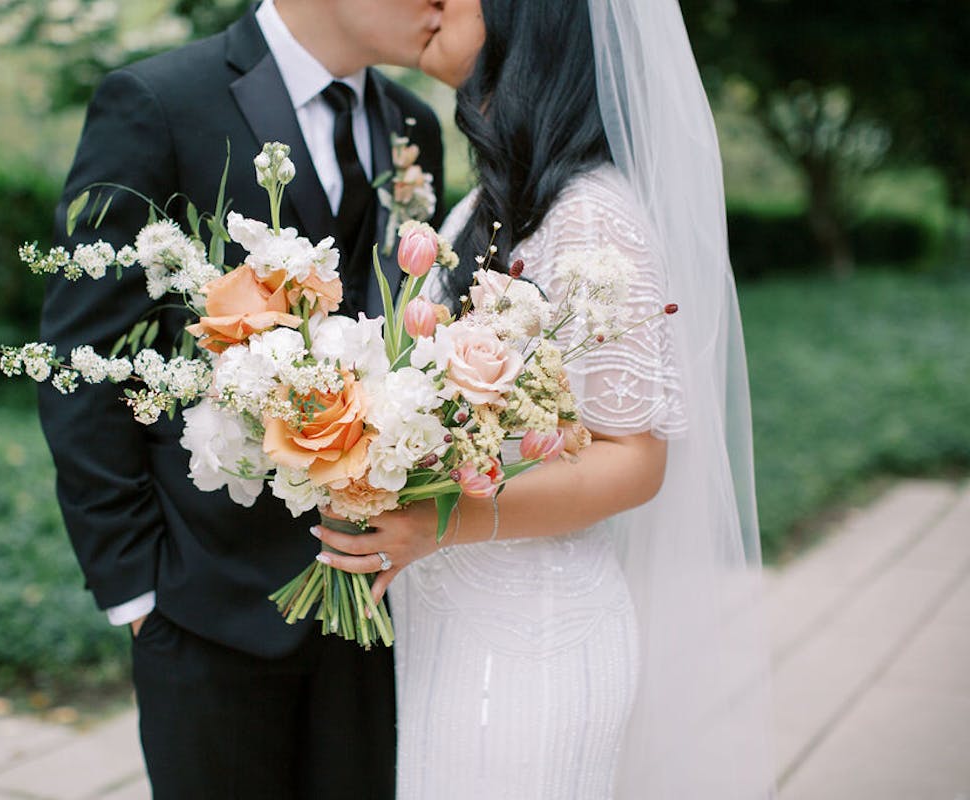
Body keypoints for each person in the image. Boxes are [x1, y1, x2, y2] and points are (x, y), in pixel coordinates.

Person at [312, 0, 776, 797]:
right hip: (454, 623)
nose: (431, 3)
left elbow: (634, 461)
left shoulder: (593, 218)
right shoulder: (483, 209)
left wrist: (436, 519)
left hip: (531, 637)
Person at [37, 1, 444, 797]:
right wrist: (138, 592)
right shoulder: (159, 101)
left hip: (376, 605)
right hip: (205, 605)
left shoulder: (412, 126)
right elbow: (84, 358)